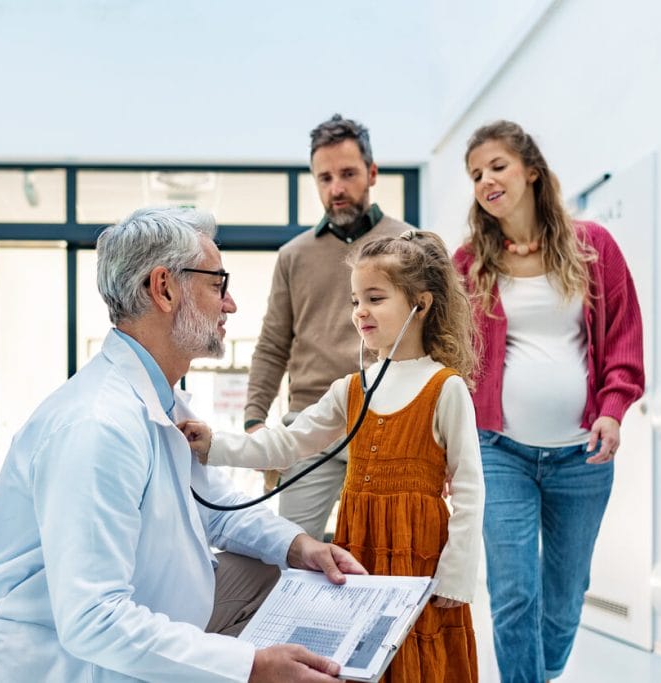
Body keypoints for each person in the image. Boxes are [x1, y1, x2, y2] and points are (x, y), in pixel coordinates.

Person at [0, 207, 367, 683]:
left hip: (122, 616)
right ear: (164, 288)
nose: (229, 305)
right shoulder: (97, 426)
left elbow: (215, 505)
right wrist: (250, 668)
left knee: (273, 570)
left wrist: (300, 546)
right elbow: (93, 619)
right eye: (217, 285)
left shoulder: (163, 398)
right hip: (47, 657)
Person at [183, 230, 483, 683]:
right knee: (362, 654)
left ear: (421, 304)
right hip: (360, 547)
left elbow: (469, 487)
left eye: (375, 298)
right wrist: (216, 445)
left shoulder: (447, 388)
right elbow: (287, 443)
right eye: (355, 300)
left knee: (419, 658)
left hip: (420, 554)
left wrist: (458, 574)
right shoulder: (351, 388)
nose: (360, 311)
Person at [452, 120, 645, 683]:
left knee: (563, 600)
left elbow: (624, 337)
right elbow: (455, 359)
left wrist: (613, 409)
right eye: (475, 174)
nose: (486, 180)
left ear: (531, 170)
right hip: (499, 451)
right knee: (514, 595)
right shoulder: (470, 264)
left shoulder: (593, 247)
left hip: (580, 459)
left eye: (497, 166)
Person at [244, 114, 415, 539]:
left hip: (388, 422)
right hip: (310, 427)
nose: (336, 188)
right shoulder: (293, 256)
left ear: (372, 174)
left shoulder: (411, 245)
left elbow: (438, 335)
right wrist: (254, 422)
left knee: (387, 558)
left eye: (348, 174)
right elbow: (272, 344)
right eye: (325, 178)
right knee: (290, 553)